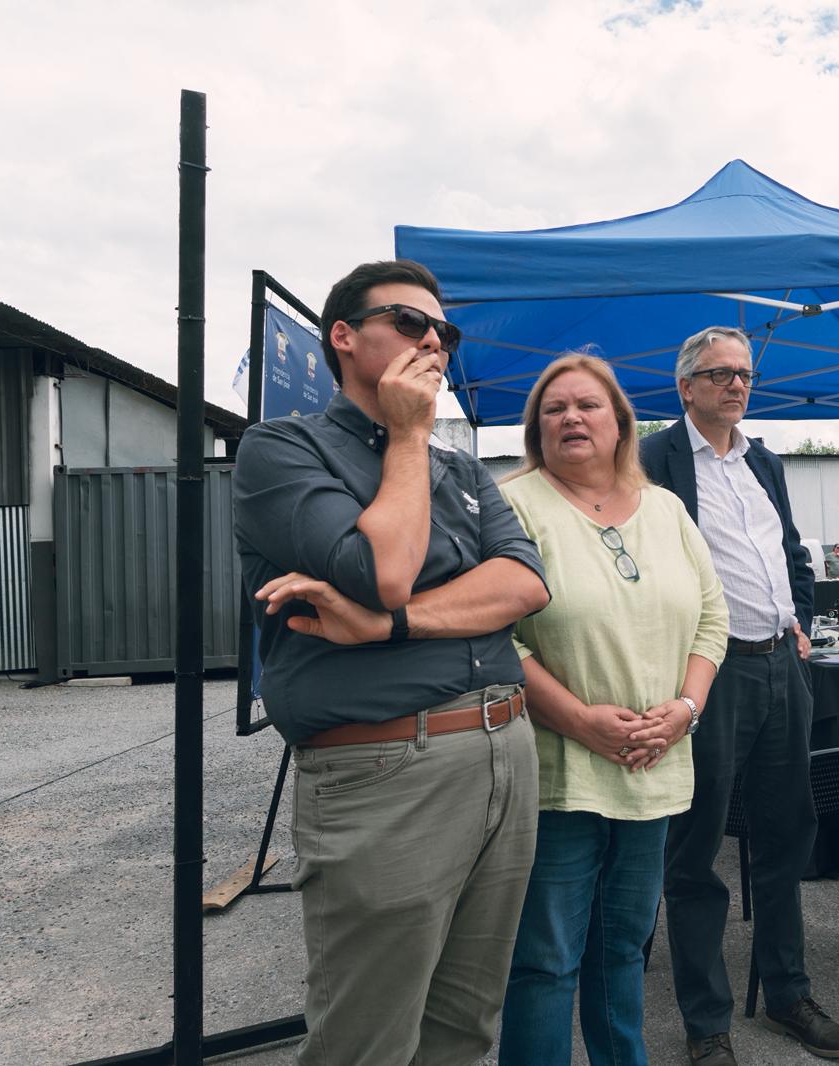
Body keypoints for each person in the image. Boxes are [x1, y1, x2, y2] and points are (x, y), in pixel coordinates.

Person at [233, 259, 550, 1066]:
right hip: (384, 765)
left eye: (445, 332)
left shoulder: (461, 467)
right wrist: (409, 434)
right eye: (410, 324)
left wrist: (387, 627)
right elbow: (385, 569)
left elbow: (523, 584)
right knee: (366, 1040)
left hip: (503, 752)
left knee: (464, 1027)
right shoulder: (282, 448)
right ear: (344, 336)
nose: (434, 342)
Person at [495, 354, 729, 1066]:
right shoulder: (512, 505)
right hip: (562, 774)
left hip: (653, 765)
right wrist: (578, 720)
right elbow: (496, 638)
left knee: (622, 949)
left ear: (621, 423)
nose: (571, 417)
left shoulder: (666, 509)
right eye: (554, 408)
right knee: (546, 959)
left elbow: (712, 619)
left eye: (588, 405)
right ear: (537, 428)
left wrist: (685, 709)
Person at [641, 326, 839, 1064]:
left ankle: (788, 994)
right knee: (695, 849)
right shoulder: (653, 461)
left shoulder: (763, 460)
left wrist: (801, 622)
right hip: (709, 672)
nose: (736, 384)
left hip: (780, 667)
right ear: (685, 387)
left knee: (785, 836)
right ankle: (707, 1023)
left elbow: (790, 550)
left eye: (744, 373)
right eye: (719, 374)